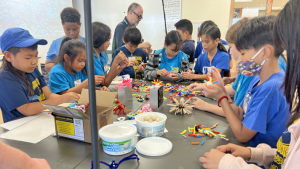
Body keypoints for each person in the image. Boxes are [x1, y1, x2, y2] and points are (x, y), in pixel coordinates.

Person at [199, 1, 300, 168]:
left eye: (243, 53)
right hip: (256, 153)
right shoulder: (256, 78)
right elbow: (241, 111)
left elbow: (243, 135)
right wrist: (222, 90)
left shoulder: (271, 87)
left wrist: (222, 97)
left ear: (265, 52)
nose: (239, 59)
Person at [0, 28, 79, 123]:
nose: (34, 61)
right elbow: (26, 109)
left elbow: (49, 95)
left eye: (36, 55)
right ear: (8, 56)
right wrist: (61, 99)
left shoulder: (32, 70)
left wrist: (70, 98)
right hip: (19, 128)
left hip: (40, 121)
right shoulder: (5, 78)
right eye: (28, 57)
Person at [189, 17, 253, 116]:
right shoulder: (245, 67)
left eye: (231, 47)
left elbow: (238, 113)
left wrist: (206, 106)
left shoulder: (251, 72)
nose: (230, 52)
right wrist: (203, 86)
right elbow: (234, 90)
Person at [45, 7, 85, 72]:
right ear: (62, 24)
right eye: (68, 29)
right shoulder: (56, 43)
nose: (72, 33)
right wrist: (67, 66)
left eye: (75, 29)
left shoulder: (86, 42)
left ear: (80, 25)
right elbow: (47, 66)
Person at [92, 22, 128, 86]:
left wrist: (120, 68)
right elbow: (104, 84)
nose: (109, 43)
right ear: (99, 39)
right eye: (107, 40)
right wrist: (115, 63)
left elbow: (107, 78)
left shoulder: (103, 54)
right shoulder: (93, 58)